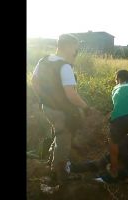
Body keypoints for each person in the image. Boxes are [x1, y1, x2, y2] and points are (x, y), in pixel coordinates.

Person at [31, 33, 94, 185]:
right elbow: (71, 94)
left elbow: (34, 81)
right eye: (75, 48)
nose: (76, 51)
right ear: (68, 47)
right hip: (61, 111)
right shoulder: (64, 66)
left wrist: (43, 99)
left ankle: (52, 162)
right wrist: (86, 107)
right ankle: (59, 174)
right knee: (64, 139)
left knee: (58, 133)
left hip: (47, 107)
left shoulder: (44, 60)